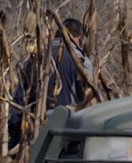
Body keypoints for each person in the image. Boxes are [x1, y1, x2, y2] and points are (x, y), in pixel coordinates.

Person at [8, 17, 93, 147]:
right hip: (71, 136)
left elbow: (19, 101)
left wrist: (14, 135)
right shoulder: (81, 62)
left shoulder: (34, 59)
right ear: (79, 38)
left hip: (38, 137)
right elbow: (90, 102)